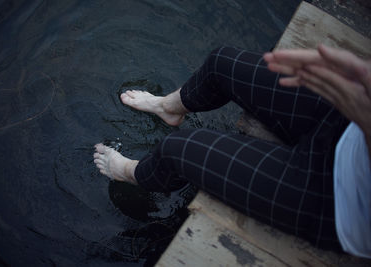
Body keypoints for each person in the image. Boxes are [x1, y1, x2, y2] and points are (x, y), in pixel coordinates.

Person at [93, 45, 370, 257]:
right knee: (221, 63)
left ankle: (128, 172)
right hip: (345, 122)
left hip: (339, 196)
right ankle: (168, 108)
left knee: (176, 149)